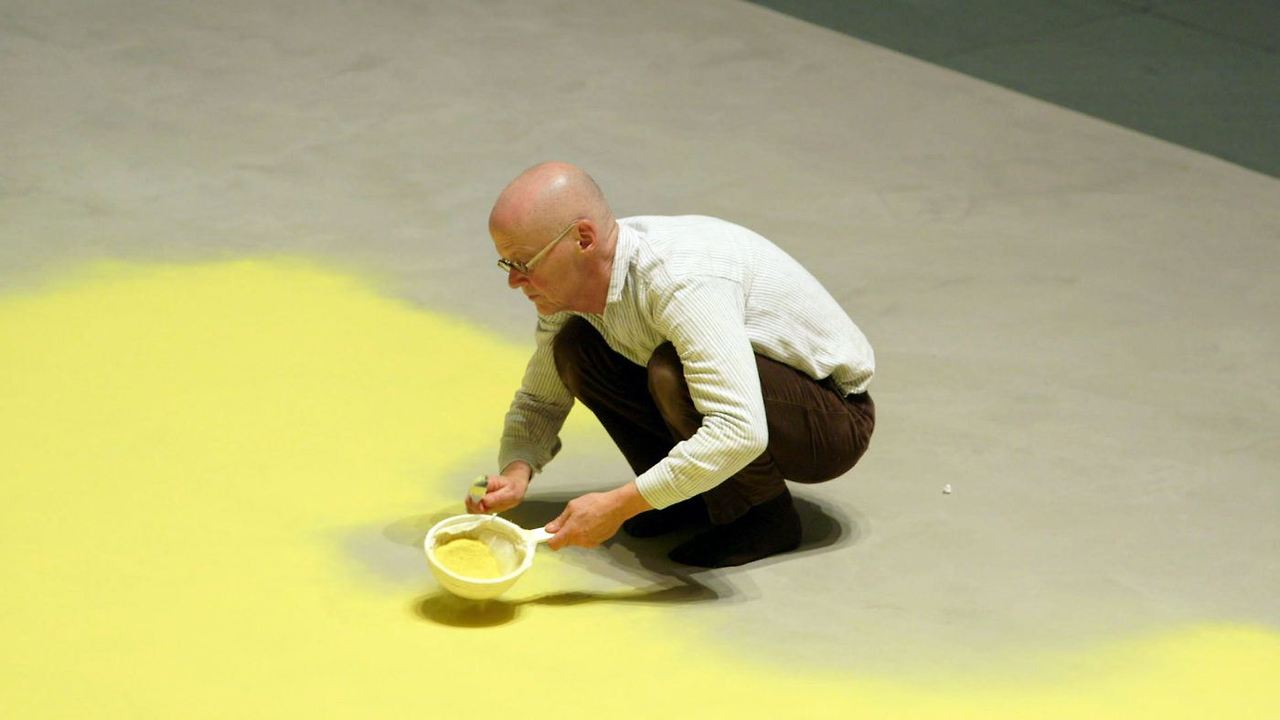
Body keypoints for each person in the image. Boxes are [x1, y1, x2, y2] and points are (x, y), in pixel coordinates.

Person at [464, 161, 876, 567]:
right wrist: (516, 470)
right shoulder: (572, 290)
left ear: (583, 239)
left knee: (670, 370)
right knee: (575, 347)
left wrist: (621, 504)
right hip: (767, 402)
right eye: (508, 264)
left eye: (524, 263)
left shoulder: (679, 280)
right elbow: (541, 397)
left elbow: (739, 430)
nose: (513, 281)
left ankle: (763, 517)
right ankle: (686, 500)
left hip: (832, 420)